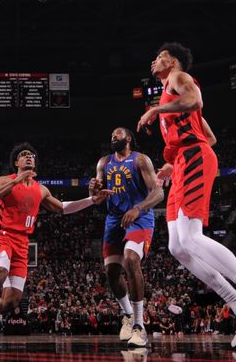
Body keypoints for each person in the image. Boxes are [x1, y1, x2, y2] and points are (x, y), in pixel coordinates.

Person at [137, 42, 236, 348]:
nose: (153, 61)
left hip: (195, 158)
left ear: (171, 60)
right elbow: (209, 134)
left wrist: (157, 108)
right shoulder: (170, 92)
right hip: (183, 162)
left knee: (192, 237)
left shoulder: (180, 78)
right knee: (177, 246)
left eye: (157, 57)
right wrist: (169, 165)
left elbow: (195, 102)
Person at [0, 143, 110, 348]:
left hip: (23, 243)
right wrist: (16, 180)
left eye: (31, 155)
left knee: (11, 303)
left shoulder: (41, 189)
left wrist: (92, 200)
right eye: (23, 155)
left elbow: (62, 208)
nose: (28, 156)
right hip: (3, 236)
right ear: (16, 163)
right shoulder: (4, 180)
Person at [89, 127, 164, 347]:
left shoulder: (140, 160)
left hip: (139, 217)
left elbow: (159, 193)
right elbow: (97, 198)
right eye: (111, 134)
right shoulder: (103, 162)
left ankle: (140, 326)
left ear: (128, 139)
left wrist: (138, 208)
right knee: (111, 272)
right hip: (114, 219)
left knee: (131, 259)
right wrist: (93, 189)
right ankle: (129, 315)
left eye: (118, 134)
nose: (113, 136)